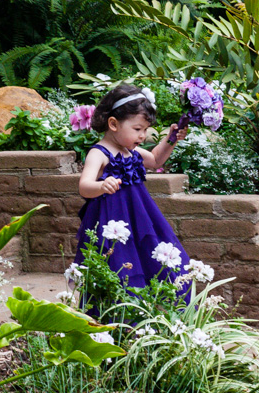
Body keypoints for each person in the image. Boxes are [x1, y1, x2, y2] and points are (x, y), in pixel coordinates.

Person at [74, 83, 189, 297]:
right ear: (113, 124)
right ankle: (115, 317)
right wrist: (101, 185)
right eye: (137, 129)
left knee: (153, 256)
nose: (143, 135)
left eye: (145, 130)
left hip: (139, 218)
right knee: (118, 263)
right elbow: (84, 186)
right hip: (113, 223)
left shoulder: (130, 151)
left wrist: (171, 139)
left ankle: (148, 311)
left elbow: (155, 160)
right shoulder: (99, 153)